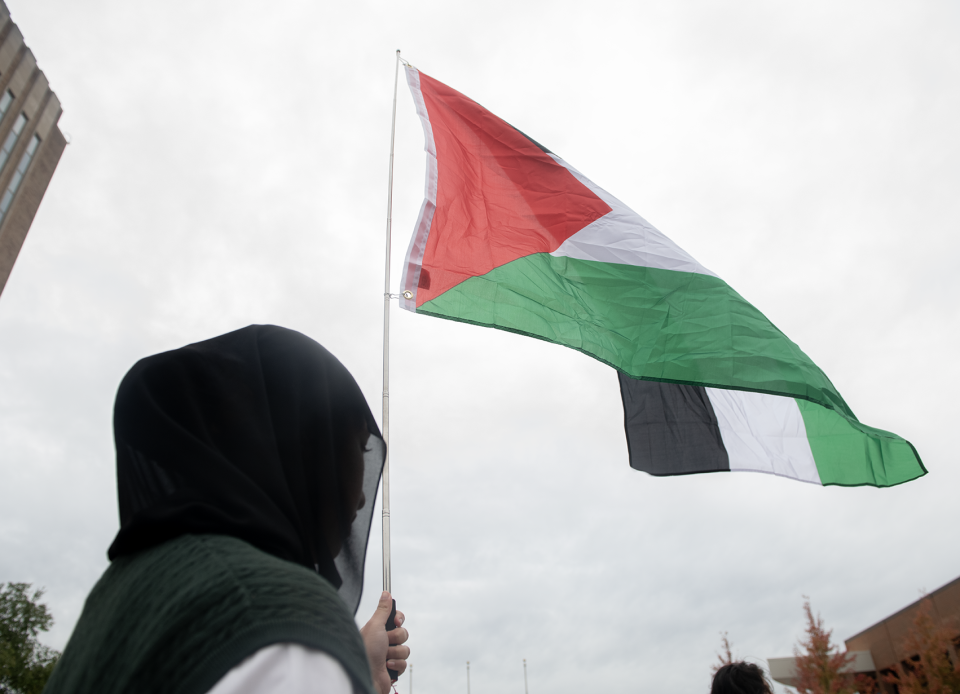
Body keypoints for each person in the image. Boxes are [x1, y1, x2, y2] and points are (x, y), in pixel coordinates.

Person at [43, 325, 409, 694]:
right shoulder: (276, 615)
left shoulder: (119, 599)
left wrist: (360, 675)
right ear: (303, 447)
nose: (362, 497)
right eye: (360, 449)